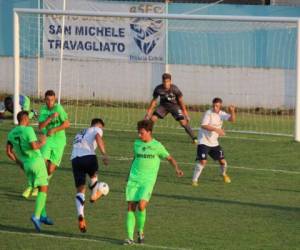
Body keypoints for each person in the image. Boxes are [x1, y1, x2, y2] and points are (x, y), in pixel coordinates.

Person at [124, 120, 184, 245]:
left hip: (148, 181)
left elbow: (169, 158)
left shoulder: (157, 146)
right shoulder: (136, 144)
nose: (139, 135)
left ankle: (140, 231)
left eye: (142, 133)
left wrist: (177, 169)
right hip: (134, 179)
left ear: (149, 132)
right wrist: (129, 174)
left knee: (141, 205)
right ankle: (129, 238)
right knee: (130, 207)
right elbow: (135, 159)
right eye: (138, 133)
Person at [6, 111, 53, 232]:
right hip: (36, 162)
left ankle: (43, 215)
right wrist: (43, 141)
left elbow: (9, 152)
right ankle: (36, 216)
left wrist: (19, 162)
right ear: (25, 118)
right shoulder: (28, 130)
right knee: (44, 188)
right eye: (28, 118)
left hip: (26, 165)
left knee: (39, 188)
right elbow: (34, 146)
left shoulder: (11, 133)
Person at [70, 118, 109, 233]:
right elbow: (98, 137)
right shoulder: (96, 129)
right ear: (98, 125)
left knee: (80, 189)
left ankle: (81, 215)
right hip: (88, 156)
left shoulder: (80, 132)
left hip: (74, 159)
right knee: (93, 175)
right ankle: (93, 195)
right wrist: (104, 154)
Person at [192, 97, 236, 186]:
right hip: (203, 141)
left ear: (220, 106)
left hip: (214, 143)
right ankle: (194, 180)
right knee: (203, 162)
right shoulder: (208, 113)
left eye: (217, 106)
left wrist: (232, 111)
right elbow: (204, 125)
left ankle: (223, 174)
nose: (215, 107)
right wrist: (217, 130)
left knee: (223, 161)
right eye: (214, 105)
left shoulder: (221, 114)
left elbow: (232, 120)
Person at [145, 73, 197, 144]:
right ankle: (148, 137)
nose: (166, 83)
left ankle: (194, 138)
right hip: (163, 106)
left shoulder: (175, 89)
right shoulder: (158, 89)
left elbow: (181, 101)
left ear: (170, 81)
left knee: (183, 122)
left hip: (174, 106)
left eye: (167, 81)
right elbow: (154, 101)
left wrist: (185, 114)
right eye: (164, 82)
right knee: (152, 119)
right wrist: (148, 113)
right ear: (162, 81)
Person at [38, 90, 70, 177]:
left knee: (50, 170)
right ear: (44, 99)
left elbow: (67, 124)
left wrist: (54, 130)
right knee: (41, 164)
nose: (50, 102)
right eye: (48, 100)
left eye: (52, 100)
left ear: (54, 99)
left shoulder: (59, 108)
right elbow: (40, 127)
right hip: (47, 139)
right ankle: (37, 186)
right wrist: (50, 117)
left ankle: (45, 180)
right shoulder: (43, 110)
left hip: (59, 141)